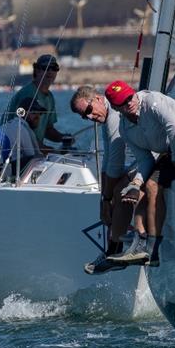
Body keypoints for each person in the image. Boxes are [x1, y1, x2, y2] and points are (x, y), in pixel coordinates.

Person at [104, 81, 175, 265]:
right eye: (123, 101)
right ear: (115, 107)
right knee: (142, 187)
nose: (129, 102)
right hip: (169, 154)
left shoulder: (151, 101)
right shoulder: (124, 129)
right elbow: (145, 160)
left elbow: (174, 126)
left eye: (130, 96)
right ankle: (146, 247)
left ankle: (149, 247)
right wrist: (135, 184)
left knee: (152, 186)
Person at [70, 85, 148, 274]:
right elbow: (108, 162)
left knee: (121, 188)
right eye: (83, 116)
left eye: (88, 110)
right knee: (115, 187)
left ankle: (121, 248)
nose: (89, 117)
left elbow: (116, 160)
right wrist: (103, 198)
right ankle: (113, 251)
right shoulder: (106, 117)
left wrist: (106, 199)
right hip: (143, 157)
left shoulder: (114, 115)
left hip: (154, 155)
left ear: (98, 99)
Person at [1, 54, 73, 147]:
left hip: (33, 151)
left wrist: (63, 138)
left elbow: (48, 130)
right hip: (15, 150)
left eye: (54, 68)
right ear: (37, 70)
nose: (50, 71)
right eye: (46, 68)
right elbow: (21, 131)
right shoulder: (28, 94)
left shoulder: (50, 97)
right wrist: (46, 150)